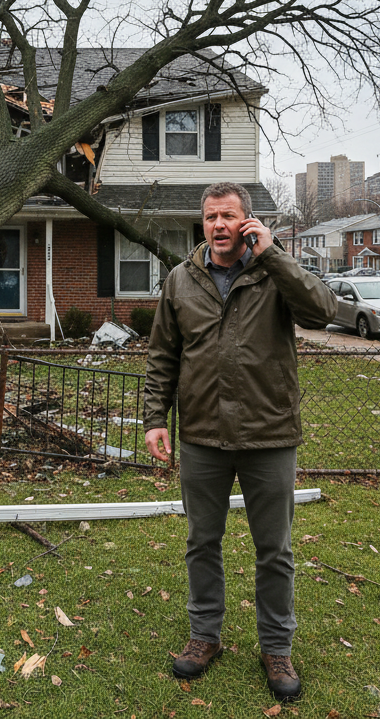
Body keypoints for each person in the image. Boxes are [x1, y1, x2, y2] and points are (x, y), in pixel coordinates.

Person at [143, 181, 337, 702]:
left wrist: (273, 255)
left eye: (228, 215)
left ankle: (276, 647)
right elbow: (163, 355)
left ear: (248, 222)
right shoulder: (181, 280)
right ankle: (204, 636)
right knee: (201, 543)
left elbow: (323, 311)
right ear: (203, 224)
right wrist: (155, 417)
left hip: (268, 435)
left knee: (274, 550)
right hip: (202, 435)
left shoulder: (274, 273)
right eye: (211, 217)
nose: (219, 225)